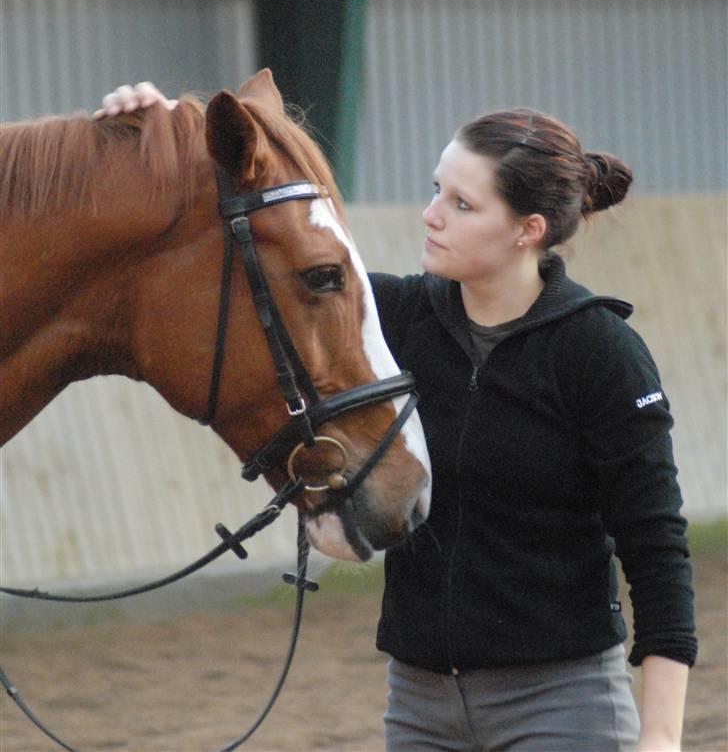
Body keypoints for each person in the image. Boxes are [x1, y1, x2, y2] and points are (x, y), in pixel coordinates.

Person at [96, 85, 696, 752]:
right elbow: (246, 242)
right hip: (418, 707)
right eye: (437, 189)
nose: (430, 214)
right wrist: (158, 127)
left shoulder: (600, 354)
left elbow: (657, 549)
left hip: (561, 705)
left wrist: (663, 736)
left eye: (461, 204)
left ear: (527, 231)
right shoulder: (391, 320)